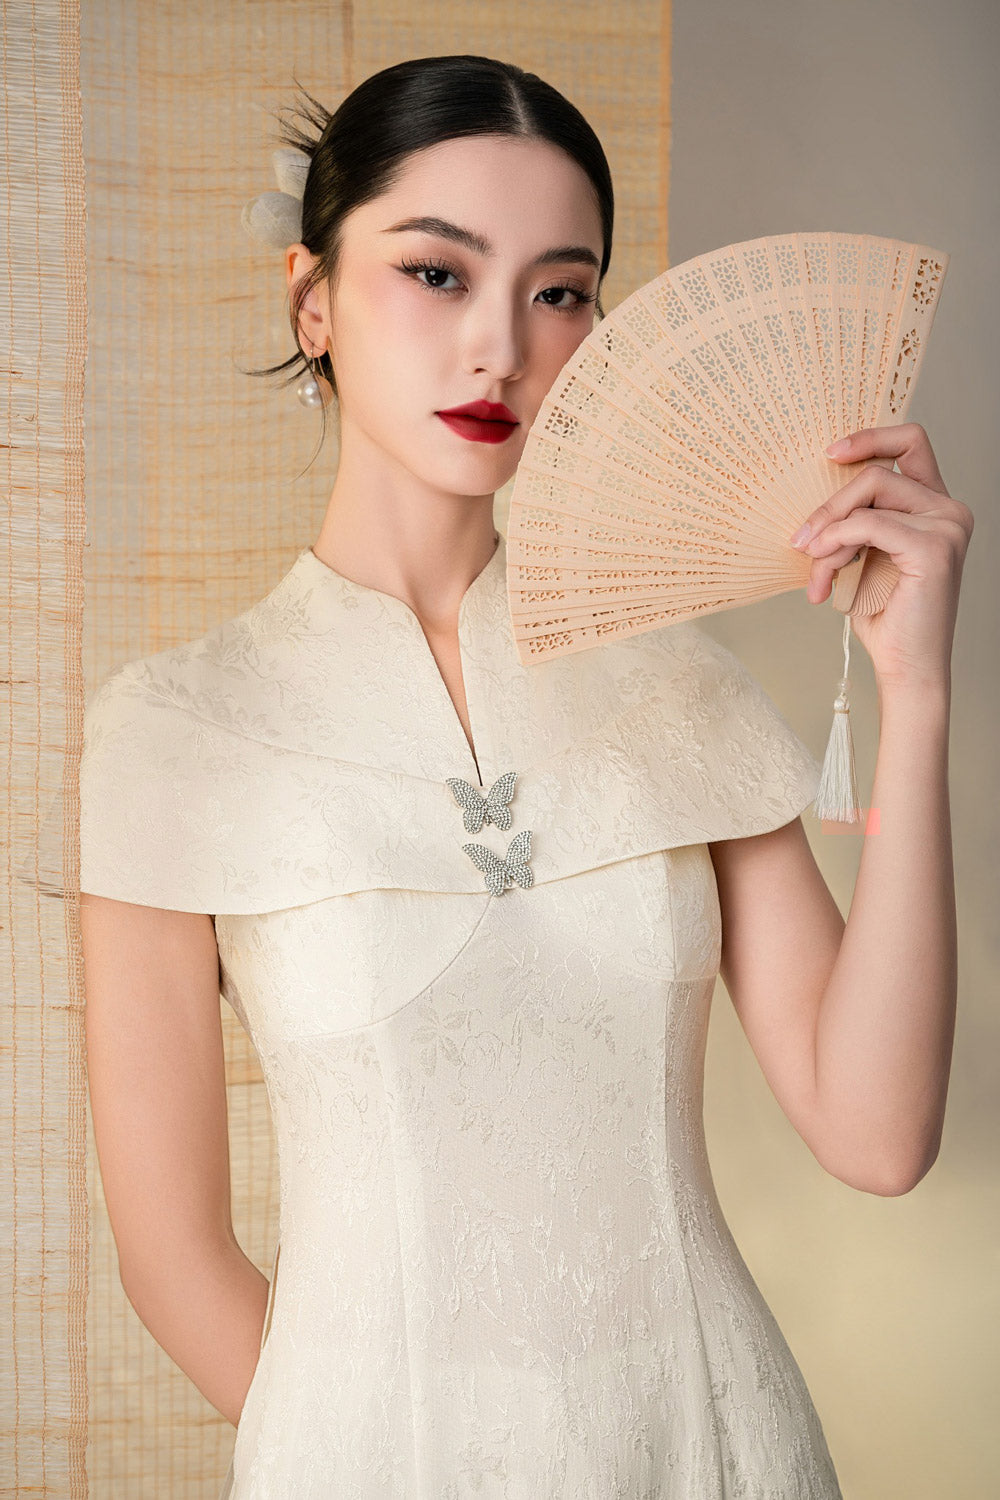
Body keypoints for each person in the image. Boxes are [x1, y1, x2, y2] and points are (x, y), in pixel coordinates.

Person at [79, 54, 972, 1500]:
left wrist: (916, 691)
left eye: (560, 292)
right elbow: (173, 1260)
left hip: (719, 1451)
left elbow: (876, 1135)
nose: (500, 347)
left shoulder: (678, 688)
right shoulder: (176, 732)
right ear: (313, 301)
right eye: (437, 274)